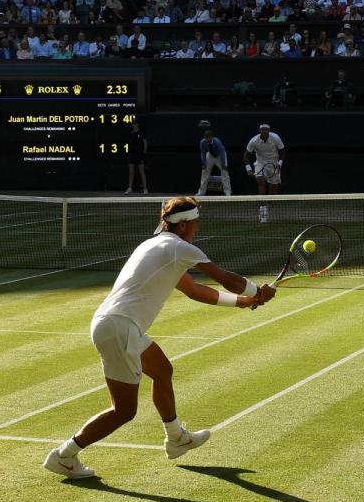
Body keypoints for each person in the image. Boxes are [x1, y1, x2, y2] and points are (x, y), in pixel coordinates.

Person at [43, 197, 277, 479]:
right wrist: (256, 290)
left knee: (162, 370)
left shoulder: (156, 246)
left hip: (114, 324)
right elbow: (225, 277)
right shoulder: (179, 248)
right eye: (196, 222)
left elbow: (195, 291)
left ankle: (176, 437)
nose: (198, 227)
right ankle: (65, 455)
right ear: (184, 225)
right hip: (120, 327)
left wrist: (243, 301)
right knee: (124, 411)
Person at [244, 123, 286, 195]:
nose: (264, 131)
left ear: (269, 130)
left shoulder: (276, 138)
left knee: (273, 188)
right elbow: (246, 155)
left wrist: (279, 164)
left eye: (266, 129)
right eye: (262, 129)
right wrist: (249, 169)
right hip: (260, 163)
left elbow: (282, 152)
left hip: (274, 163)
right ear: (260, 131)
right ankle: (262, 205)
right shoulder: (254, 141)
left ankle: (269, 204)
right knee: (261, 183)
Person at [197, 129, 232, 196]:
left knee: (224, 172)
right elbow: (203, 153)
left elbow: (222, 152)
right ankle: (201, 192)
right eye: (206, 137)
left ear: (212, 137)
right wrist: (204, 163)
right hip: (210, 155)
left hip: (219, 156)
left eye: (208, 137)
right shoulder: (202, 142)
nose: (207, 139)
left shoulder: (217, 142)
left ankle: (227, 191)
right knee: (204, 171)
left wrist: (223, 164)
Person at [125, 122, 148, 194]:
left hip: (140, 155)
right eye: (133, 124)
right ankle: (130, 188)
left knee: (142, 171)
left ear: (138, 125)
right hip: (132, 155)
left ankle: (145, 189)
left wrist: (144, 152)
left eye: (135, 124)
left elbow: (145, 142)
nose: (133, 125)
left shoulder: (141, 133)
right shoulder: (131, 133)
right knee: (131, 172)